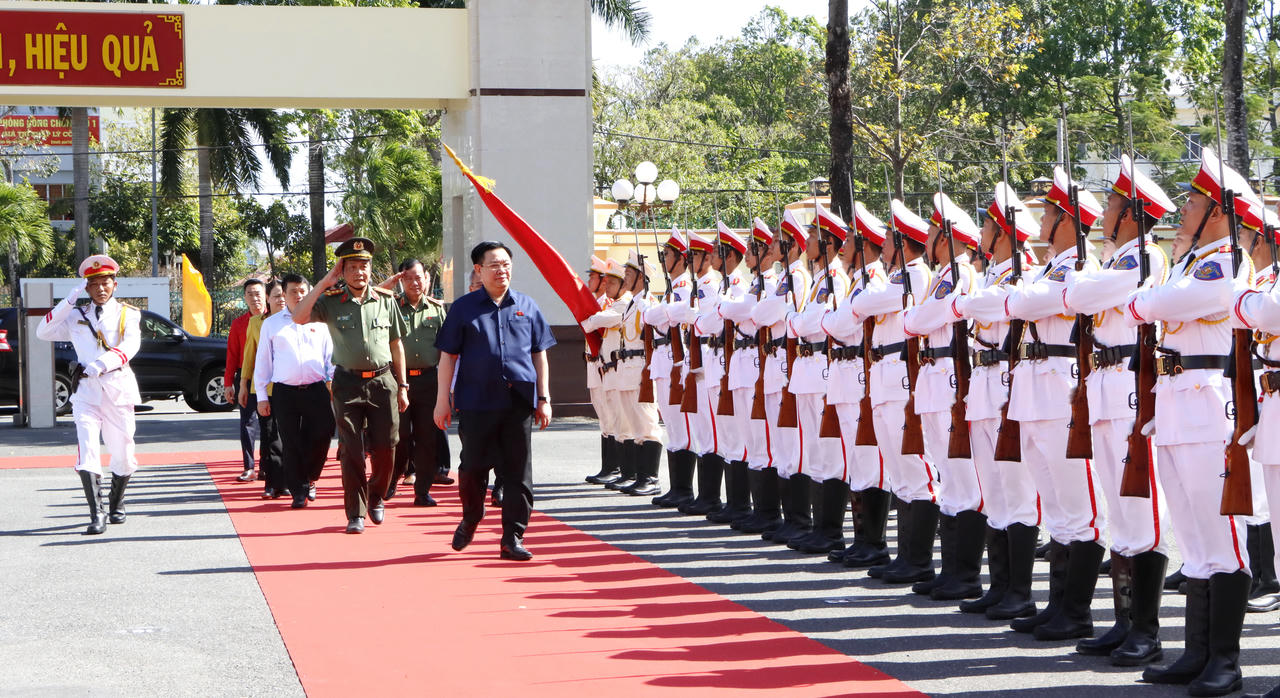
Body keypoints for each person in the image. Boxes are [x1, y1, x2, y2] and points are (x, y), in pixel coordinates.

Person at [1126, 148, 1253, 695]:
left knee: (1221, 535)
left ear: (1220, 212)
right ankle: (1196, 652)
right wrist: (1156, 299)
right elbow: (1156, 300)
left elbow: (1161, 304)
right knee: (1193, 537)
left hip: (1206, 405)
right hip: (1174, 403)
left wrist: (1155, 300)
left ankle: (1224, 660)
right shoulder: (1185, 259)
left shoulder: (1223, 261)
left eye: (1195, 200)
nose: (1183, 208)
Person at [1063, 156, 1173, 664]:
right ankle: (1124, 620)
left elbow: (1081, 295)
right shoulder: (1116, 260)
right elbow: (1080, 296)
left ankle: (1146, 630)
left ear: (1129, 213)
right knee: (1117, 510)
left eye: (1110, 203)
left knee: (1139, 511)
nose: (1103, 211)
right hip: (1106, 388)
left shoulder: (1143, 259)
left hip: (1130, 388)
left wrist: (1083, 287)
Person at [435, 240, 555, 561]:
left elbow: (539, 354)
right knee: (473, 468)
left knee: (518, 472)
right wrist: (441, 400)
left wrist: (544, 397)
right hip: (476, 403)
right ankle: (471, 516)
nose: (502, 270)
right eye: (494, 265)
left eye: (506, 264)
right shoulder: (463, 308)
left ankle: (511, 537)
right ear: (479, 270)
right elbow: (448, 357)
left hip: (518, 403)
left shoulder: (527, 306)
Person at [849, 200, 940, 585]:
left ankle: (918, 558)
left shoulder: (913, 276)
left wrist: (867, 296)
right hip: (885, 376)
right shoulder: (895, 278)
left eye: (888, 241)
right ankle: (905, 555)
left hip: (902, 376)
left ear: (904, 244)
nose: (883, 247)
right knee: (899, 473)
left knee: (914, 469)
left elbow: (863, 304)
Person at [294, 238, 409, 534]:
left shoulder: (385, 301)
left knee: (387, 448)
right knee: (352, 450)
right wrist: (324, 282)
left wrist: (403, 385)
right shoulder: (331, 301)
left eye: (364, 266)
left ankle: (376, 495)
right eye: (353, 267)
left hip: (384, 382)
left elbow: (396, 345)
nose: (360, 272)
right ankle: (355, 513)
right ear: (342, 271)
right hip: (347, 383)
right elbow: (299, 316)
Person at [901, 192, 985, 600]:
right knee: (948, 476)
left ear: (947, 237)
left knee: (961, 477)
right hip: (935, 377)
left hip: (950, 376)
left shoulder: (959, 274)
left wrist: (913, 318)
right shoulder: (944, 274)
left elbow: (920, 319)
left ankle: (965, 573)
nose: (929, 235)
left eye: (934, 230)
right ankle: (951, 568)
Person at [36, 254, 142, 535]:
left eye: (105, 283)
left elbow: (130, 346)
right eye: (93, 284)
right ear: (87, 287)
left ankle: (116, 501)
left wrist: (100, 364)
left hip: (117, 390)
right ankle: (97, 515)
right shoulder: (75, 315)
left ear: (114, 285)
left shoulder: (128, 314)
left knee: (123, 452)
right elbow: (42, 331)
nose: (100, 289)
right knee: (88, 450)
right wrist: (69, 300)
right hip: (86, 394)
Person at [821, 203, 892, 567]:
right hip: (847, 376)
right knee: (856, 460)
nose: (844, 243)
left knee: (869, 460)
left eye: (850, 237)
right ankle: (862, 537)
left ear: (865, 244)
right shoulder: (857, 279)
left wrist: (834, 319)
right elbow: (833, 322)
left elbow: (841, 325)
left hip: (860, 375)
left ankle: (875, 541)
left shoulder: (874, 279)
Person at [254, 274, 335, 511]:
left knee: (323, 433)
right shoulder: (272, 324)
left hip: (317, 388)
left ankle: (310, 476)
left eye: (302, 291)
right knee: (290, 441)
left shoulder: (321, 321)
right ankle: (298, 491)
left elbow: (331, 358)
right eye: (293, 292)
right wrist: (261, 396)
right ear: (284, 295)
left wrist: (335, 384)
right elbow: (263, 362)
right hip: (284, 392)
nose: (298, 296)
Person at [380, 259, 446, 507]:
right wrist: (390, 283)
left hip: (429, 379)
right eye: (408, 278)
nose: (415, 283)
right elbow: (371, 296)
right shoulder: (391, 305)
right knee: (398, 436)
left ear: (426, 278)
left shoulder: (437, 309)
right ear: (401, 280)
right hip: (398, 380)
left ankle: (423, 490)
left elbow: (447, 349)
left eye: (419, 277)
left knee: (427, 437)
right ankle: (392, 479)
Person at [240, 280, 287, 499]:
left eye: (284, 295)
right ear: (269, 299)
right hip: (266, 388)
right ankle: (271, 482)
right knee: (270, 437)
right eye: (276, 296)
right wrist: (244, 384)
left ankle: (290, 480)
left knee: (291, 436)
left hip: (294, 387)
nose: (282, 300)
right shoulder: (257, 323)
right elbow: (249, 357)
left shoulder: (301, 321)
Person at [227, 278, 266, 482]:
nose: (254, 298)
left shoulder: (274, 319)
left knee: (270, 424)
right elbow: (232, 355)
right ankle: (249, 467)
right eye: (250, 294)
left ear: (265, 295)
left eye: (258, 293)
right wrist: (228, 384)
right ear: (244, 298)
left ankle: (268, 466)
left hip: (270, 376)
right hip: (246, 376)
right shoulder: (239, 323)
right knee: (247, 422)